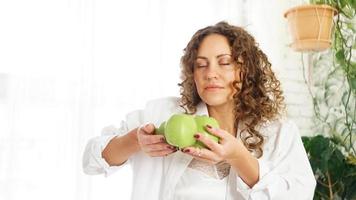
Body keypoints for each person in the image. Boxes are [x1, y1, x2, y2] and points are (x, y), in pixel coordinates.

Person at [82, 21, 316, 200]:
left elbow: (298, 194)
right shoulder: (162, 115)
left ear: (245, 70)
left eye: (224, 62)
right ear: (192, 74)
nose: (210, 73)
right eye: (201, 64)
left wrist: (238, 156)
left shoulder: (279, 132)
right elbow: (91, 161)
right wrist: (135, 140)